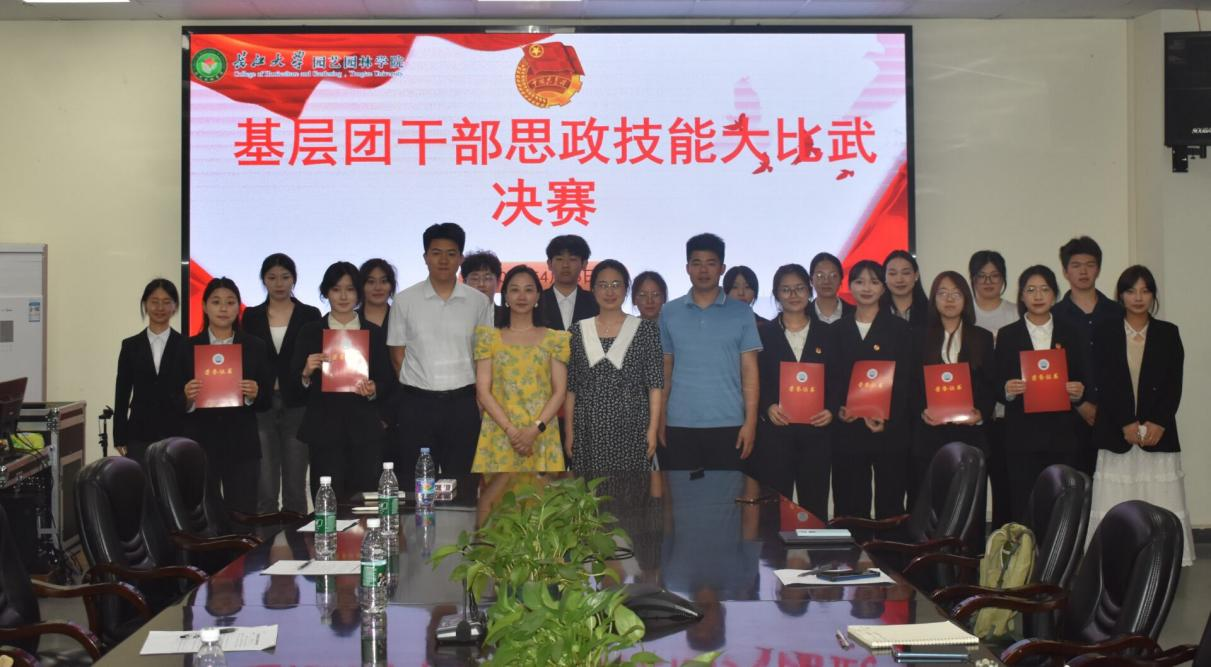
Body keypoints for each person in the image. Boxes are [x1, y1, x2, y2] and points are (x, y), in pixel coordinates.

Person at [1091, 266, 1193, 566]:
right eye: (1131, 290)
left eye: (1145, 290)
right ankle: (1117, 557)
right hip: (1116, 432)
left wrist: (1159, 422)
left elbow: (1174, 384)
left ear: (1153, 295)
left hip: (1158, 432)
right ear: (1120, 295)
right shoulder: (1105, 332)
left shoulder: (1168, 333)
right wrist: (1125, 422)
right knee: (1117, 500)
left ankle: (1162, 558)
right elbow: (1104, 383)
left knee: (1160, 499)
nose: (1138, 297)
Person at [387, 223, 494, 476]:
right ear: (425, 257)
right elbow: (397, 354)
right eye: (436, 253)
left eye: (451, 253)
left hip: (463, 404)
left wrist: (479, 401)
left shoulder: (478, 302)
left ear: (460, 258)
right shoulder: (404, 300)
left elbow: (484, 354)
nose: (443, 260)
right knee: (418, 482)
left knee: (463, 481)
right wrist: (419, 388)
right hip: (418, 405)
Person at [292, 262, 394, 503]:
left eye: (350, 289)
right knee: (328, 505)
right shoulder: (311, 331)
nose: (343, 296)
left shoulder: (373, 332)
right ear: (326, 293)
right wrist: (305, 373)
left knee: (366, 504)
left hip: (364, 432)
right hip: (324, 432)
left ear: (359, 293)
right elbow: (293, 387)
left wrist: (374, 389)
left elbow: (388, 380)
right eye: (336, 289)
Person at [659, 233, 762, 471]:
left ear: (722, 268)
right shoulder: (669, 312)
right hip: (679, 423)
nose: (703, 270)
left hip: (729, 423)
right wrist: (660, 417)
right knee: (682, 492)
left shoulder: (741, 313)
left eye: (711, 263)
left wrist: (751, 422)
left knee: (726, 493)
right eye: (696, 263)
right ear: (687, 268)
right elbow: (665, 370)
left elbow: (750, 371)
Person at [995, 265, 1088, 524]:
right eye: (1031, 290)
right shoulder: (1008, 335)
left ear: (1054, 295)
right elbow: (996, 383)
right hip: (1021, 436)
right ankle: (1025, 549)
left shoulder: (1071, 332)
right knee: (1023, 502)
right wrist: (1007, 390)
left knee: (1061, 502)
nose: (1038, 296)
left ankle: (1059, 549)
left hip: (1061, 434)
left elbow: (1083, 378)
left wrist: (1078, 392)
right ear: (1022, 296)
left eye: (1045, 289)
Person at [752, 264, 839, 519]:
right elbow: (755, 379)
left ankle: (815, 547)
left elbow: (838, 378)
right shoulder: (763, 334)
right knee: (774, 506)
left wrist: (831, 410)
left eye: (799, 288)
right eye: (786, 289)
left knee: (815, 506)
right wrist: (767, 406)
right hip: (776, 434)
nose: (793, 295)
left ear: (809, 291)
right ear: (776, 294)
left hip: (816, 433)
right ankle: (774, 548)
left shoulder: (829, 334)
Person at [911, 272, 995, 534]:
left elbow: (991, 384)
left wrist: (981, 413)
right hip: (930, 437)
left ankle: (968, 559)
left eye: (956, 294)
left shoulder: (982, 337)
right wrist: (921, 411)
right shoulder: (918, 337)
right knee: (932, 512)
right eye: (942, 293)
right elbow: (910, 385)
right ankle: (928, 560)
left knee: (969, 512)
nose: (949, 299)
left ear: (966, 299)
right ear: (933, 299)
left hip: (970, 436)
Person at [181, 277, 273, 516]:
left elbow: (266, 401)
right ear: (204, 306)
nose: (223, 308)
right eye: (216, 302)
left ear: (238, 307)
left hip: (242, 445)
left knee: (243, 516)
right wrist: (187, 398)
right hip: (201, 444)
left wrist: (254, 394)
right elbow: (173, 402)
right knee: (204, 517)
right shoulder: (187, 348)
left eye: (230, 302)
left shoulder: (255, 346)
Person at [565, 260, 664, 474]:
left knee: (631, 490)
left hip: (633, 427)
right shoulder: (577, 331)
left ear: (626, 289)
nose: (609, 292)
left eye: (616, 285)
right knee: (589, 489)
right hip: (587, 429)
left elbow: (655, 385)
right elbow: (571, 388)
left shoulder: (646, 330)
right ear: (593, 289)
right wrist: (569, 431)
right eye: (603, 285)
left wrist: (652, 429)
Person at [241, 253, 321, 516]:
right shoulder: (251, 316)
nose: (279, 283)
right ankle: (265, 542)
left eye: (285, 277)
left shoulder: (310, 314)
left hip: (298, 405)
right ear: (263, 280)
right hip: (262, 406)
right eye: (272, 277)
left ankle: (296, 543)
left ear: (294, 279)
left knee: (295, 491)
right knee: (265, 490)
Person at [832, 260, 913, 519]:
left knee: (891, 503)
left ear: (883, 287)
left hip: (889, 430)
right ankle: (853, 547)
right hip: (849, 430)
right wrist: (839, 409)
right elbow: (832, 379)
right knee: (851, 504)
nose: (866, 288)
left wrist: (887, 418)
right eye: (859, 282)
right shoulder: (837, 330)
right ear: (850, 286)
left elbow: (906, 381)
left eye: (874, 282)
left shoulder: (901, 330)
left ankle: (891, 548)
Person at [472, 266, 570, 472]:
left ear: (538, 296)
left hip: (541, 433)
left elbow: (560, 392)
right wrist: (511, 431)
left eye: (529, 290)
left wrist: (534, 430)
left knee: (543, 493)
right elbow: (483, 391)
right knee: (497, 493)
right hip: (500, 432)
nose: (522, 296)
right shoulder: (488, 338)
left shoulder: (555, 339)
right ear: (506, 296)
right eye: (515, 290)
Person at [1053, 236, 1122, 476]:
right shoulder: (1054, 315)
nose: (1083, 271)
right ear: (1065, 271)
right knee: (1073, 485)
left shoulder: (1117, 312)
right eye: (1076, 265)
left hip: (1114, 415)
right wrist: (1080, 403)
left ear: (1098, 269)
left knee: (1112, 486)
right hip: (1069, 418)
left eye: (1090, 265)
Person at [968, 250, 1018, 529]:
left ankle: (1003, 543)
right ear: (972, 279)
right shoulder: (965, 314)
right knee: (972, 488)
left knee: (1005, 485)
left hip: (1008, 416)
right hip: (974, 415)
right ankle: (971, 548)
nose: (988, 282)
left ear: (1003, 279)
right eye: (981, 276)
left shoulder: (1016, 312)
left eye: (994, 276)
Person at [114, 278, 186, 466]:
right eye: (154, 301)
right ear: (145, 304)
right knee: (142, 482)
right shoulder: (130, 346)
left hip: (177, 431)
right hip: (139, 432)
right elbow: (122, 392)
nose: (160, 308)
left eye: (166, 302)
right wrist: (119, 435)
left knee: (174, 483)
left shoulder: (186, 345)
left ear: (175, 306)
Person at [357, 258, 400, 469]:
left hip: (399, 416)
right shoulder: (348, 323)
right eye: (370, 281)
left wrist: (388, 416)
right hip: (357, 419)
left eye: (384, 281)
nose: (378, 287)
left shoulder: (403, 320)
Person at [538, 234, 598, 330]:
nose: (565, 265)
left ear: (584, 264)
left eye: (572, 259)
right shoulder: (537, 301)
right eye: (559, 259)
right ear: (549, 264)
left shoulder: (596, 302)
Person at [881, 250, 929, 329]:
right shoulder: (875, 311)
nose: (899, 280)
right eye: (892, 273)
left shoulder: (931, 312)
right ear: (884, 276)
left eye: (906, 273)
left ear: (916, 275)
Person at [808, 252, 855, 325]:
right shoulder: (801, 315)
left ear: (841, 280)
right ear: (811, 280)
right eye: (820, 275)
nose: (826, 281)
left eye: (833, 275)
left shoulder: (856, 314)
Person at [460, 250, 505, 324]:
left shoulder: (508, 317)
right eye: (475, 279)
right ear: (464, 283)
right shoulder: (454, 315)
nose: (481, 284)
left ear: (498, 282)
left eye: (487, 278)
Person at [357, 258, 396, 328]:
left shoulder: (402, 318)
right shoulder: (348, 321)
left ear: (391, 285)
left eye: (384, 281)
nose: (378, 288)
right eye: (371, 282)